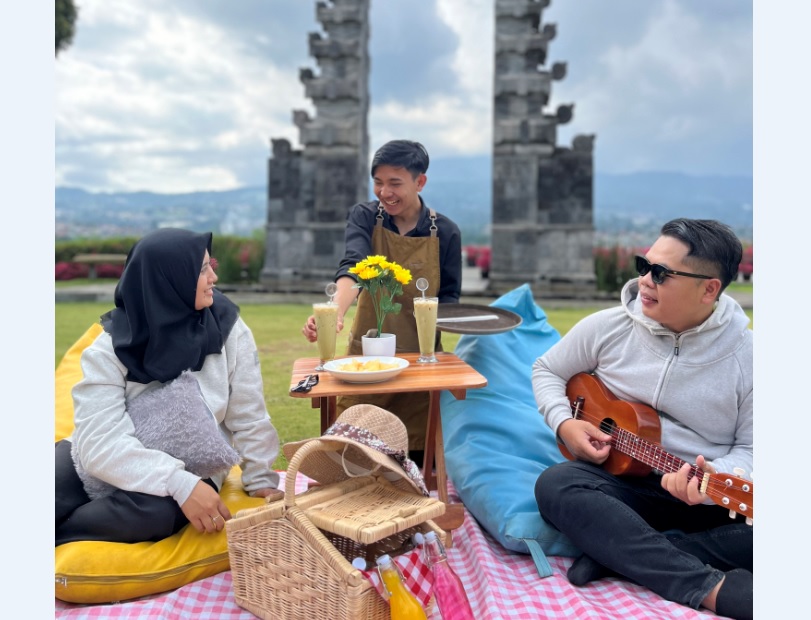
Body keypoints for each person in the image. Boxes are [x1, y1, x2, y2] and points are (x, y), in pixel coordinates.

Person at [532, 219, 753, 620]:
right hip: (625, 488)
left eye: (662, 273)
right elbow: (548, 370)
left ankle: (618, 555)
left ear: (709, 289)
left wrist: (710, 479)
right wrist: (564, 423)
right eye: (644, 265)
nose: (645, 280)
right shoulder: (608, 326)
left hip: (707, 496)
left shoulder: (751, 358)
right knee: (556, 485)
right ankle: (710, 588)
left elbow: (754, 449)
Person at [55, 228, 282, 546]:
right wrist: (175, 481)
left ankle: (63, 534)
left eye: (210, 264)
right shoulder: (110, 348)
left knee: (156, 514)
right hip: (97, 464)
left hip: (191, 467)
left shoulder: (229, 329)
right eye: (203, 269)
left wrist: (259, 477)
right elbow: (98, 444)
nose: (214, 276)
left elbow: (249, 412)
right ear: (168, 280)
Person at [301, 140, 462, 460]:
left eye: (394, 183)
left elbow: (450, 302)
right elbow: (353, 268)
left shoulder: (445, 232)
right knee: (353, 456)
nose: (384, 192)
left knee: (417, 460)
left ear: (420, 182)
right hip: (365, 363)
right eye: (378, 182)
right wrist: (335, 312)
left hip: (420, 365)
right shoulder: (364, 217)